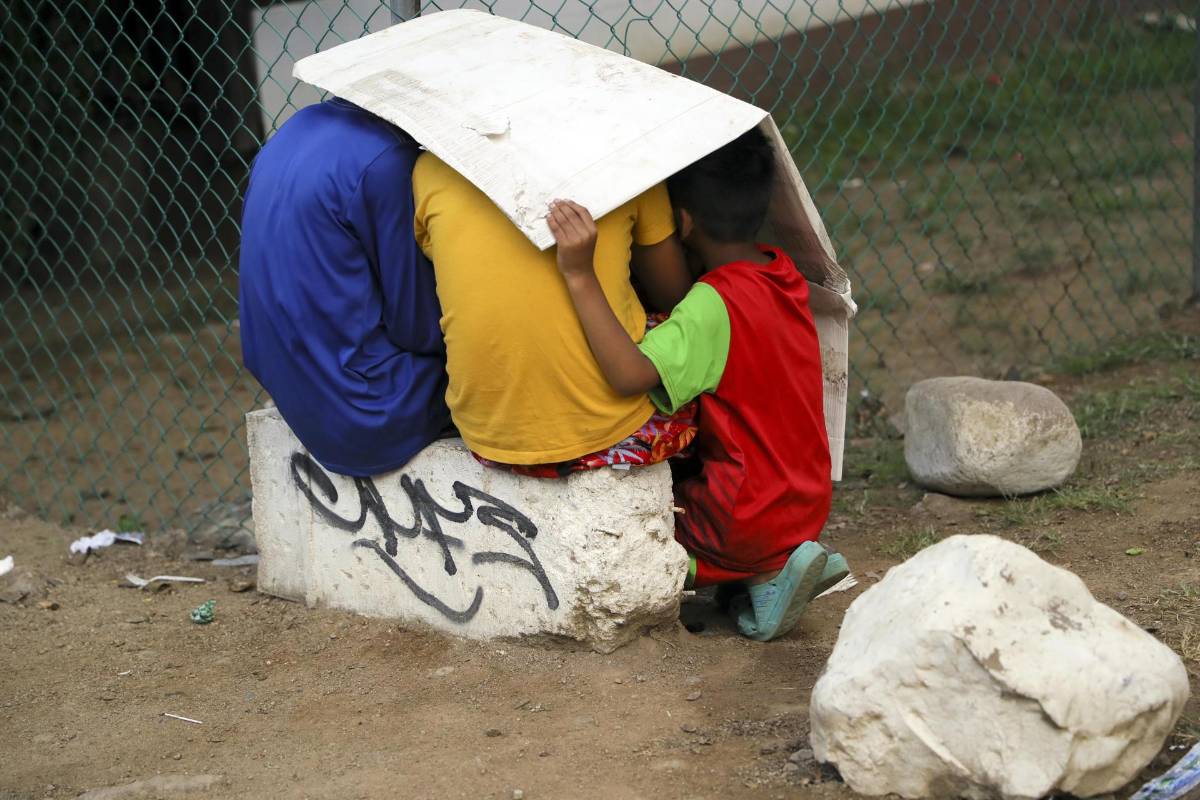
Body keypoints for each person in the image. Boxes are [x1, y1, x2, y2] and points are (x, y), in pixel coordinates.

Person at [546, 127, 848, 641]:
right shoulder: (783, 275)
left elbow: (628, 376)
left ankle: (754, 572)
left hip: (742, 516)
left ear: (682, 222)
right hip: (805, 499)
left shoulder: (713, 303)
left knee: (647, 538)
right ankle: (771, 568)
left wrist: (579, 274)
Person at [412, 154, 694, 474]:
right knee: (683, 351)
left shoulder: (433, 166)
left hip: (487, 437)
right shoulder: (631, 158)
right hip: (611, 433)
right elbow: (674, 296)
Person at [239, 98, 450, 476]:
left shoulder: (296, 126)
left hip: (292, 389)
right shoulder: (389, 161)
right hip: (370, 409)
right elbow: (418, 330)